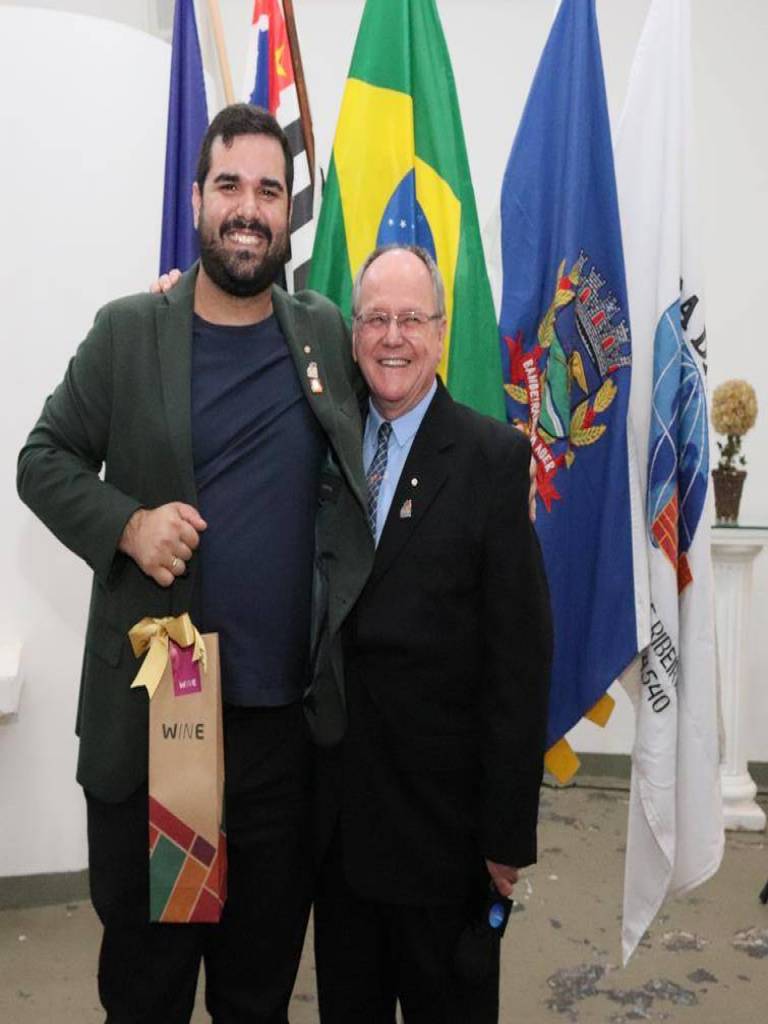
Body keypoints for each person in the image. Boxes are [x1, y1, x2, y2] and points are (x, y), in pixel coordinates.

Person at [16, 104, 371, 1024]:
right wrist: (128, 524)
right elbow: (41, 460)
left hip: (281, 745)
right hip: (162, 732)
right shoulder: (130, 331)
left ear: (288, 212)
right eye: (230, 187)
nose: (248, 208)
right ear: (197, 200)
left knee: (257, 992)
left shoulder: (324, 334)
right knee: (151, 988)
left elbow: (401, 399)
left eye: (269, 190)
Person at [311, 245, 553, 1024]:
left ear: (442, 334)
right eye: (375, 319)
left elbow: (520, 662)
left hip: (445, 846)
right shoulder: (325, 445)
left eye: (411, 319)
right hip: (341, 840)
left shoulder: (493, 459)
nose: (393, 337)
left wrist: (506, 837)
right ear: (353, 334)